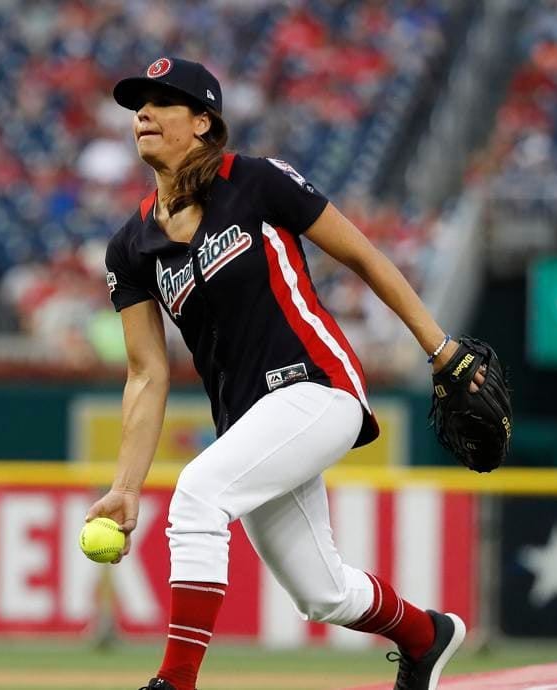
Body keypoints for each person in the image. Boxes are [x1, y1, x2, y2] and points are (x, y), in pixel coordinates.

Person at [86, 57, 485, 690]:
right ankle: (426, 635)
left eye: (163, 102)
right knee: (321, 592)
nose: (144, 113)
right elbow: (146, 374)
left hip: (316, 387)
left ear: (203, 121)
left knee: (197, 497)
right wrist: (126, 486)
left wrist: (439, 349)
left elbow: (361, 254)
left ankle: (176, 682)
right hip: (253, 421)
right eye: (138, 103)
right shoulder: (130, 246)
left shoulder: (254, 180)